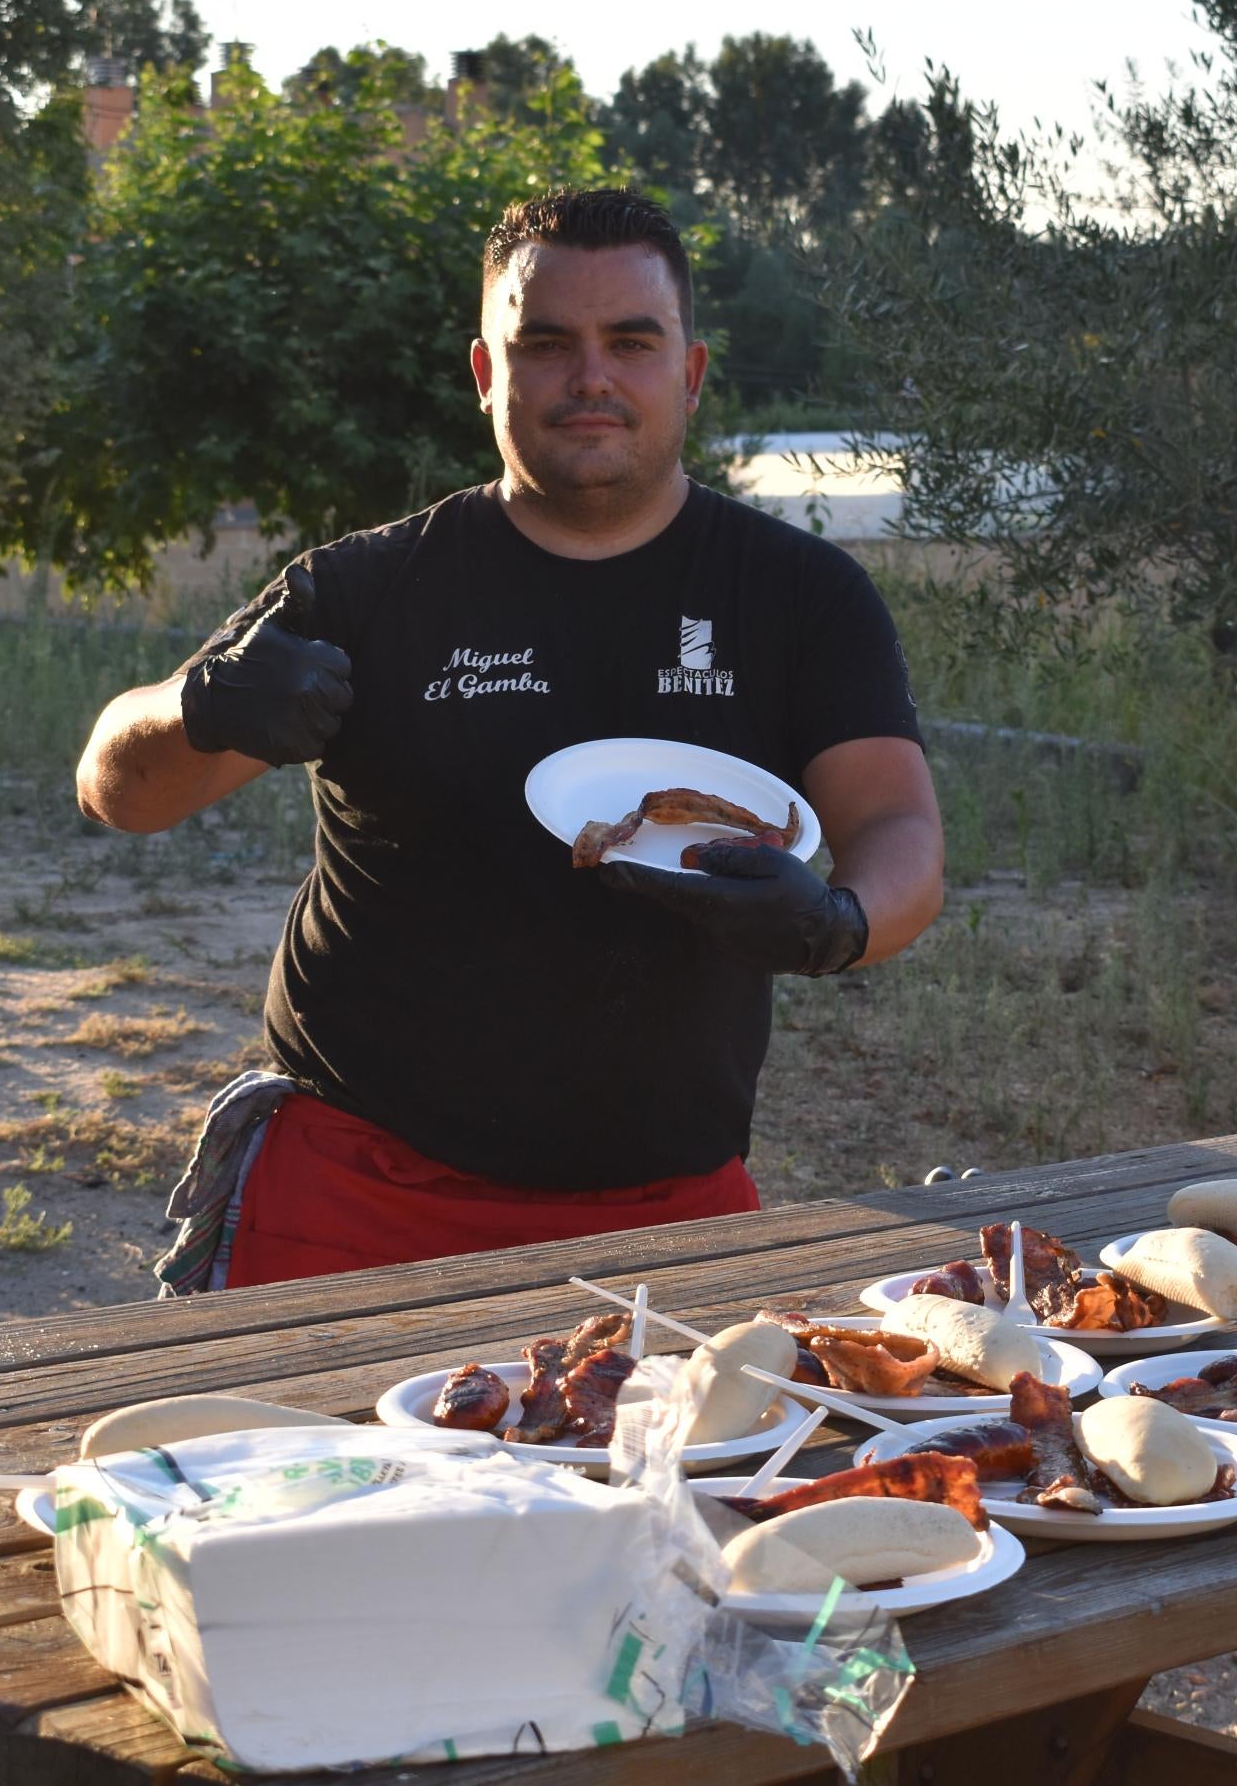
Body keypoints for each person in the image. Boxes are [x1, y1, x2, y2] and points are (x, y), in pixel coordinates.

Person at [76, 187, 943, 1287]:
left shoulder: (798, 595)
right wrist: (198, 704)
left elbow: (897, 821)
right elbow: (118, 786)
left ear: (690, 370)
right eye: (545, 342)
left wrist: (836, 921)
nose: (591, 376)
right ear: (488, 373)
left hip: (670, 1209)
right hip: (356, 1195)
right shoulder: (372, 585)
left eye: (632, 340)